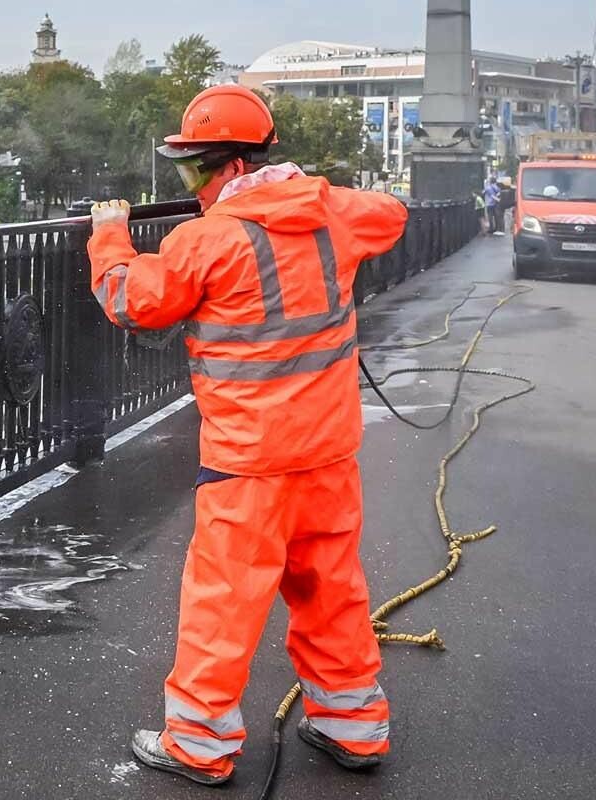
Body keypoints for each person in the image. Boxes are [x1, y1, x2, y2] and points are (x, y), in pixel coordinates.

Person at [87, 84, 408, 787]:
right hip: (326, 451)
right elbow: (391, 213)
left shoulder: (205, 240)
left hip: (249, 461)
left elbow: (130, 300)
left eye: (195, 168)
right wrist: (316, 192)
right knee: (331, 587)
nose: (189, 182)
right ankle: (352, 724)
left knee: (224, 598)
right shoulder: (333, 213)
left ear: (231, 167)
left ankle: (199, 744)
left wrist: (108, 234)